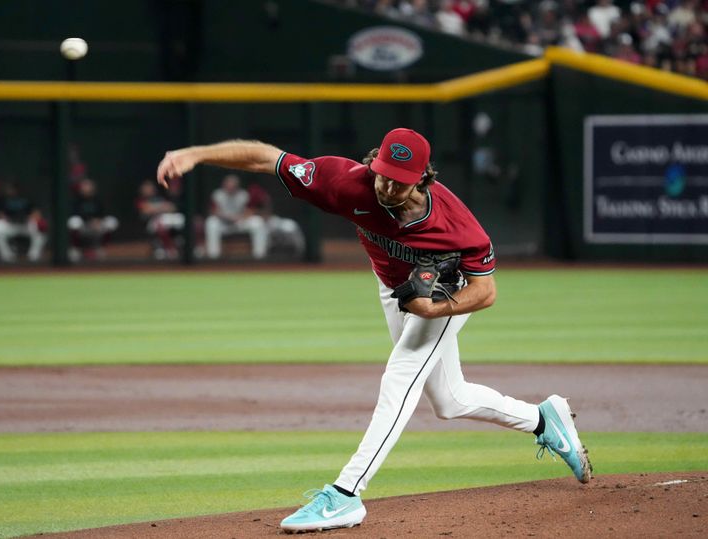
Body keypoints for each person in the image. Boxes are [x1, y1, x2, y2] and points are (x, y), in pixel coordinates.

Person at [156, 129, 593, 533]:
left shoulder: (457, 225)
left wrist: (436, 307)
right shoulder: (346, 181)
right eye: (383, 175)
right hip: (395, 289)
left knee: (400, 378)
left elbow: (487, 290)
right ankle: (542, 419)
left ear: (422, 178)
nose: (387, 186)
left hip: (445, 292)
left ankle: (346, 494)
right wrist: (195, 154)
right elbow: (266, 158)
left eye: (399, 181)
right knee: (450, 400)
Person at [204, 173, 267, 260]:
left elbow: (250, 211)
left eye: (233, 186)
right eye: (228, 185)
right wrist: (227, 217)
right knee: (211, 222)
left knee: (258, 222)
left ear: (237, 186)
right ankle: (214, 257)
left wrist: (240, 217)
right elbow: (213, 211)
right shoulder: (218, 195)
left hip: (239, 222)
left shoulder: (243, 195)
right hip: (223, 223)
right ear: (224, 185)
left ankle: (259, 256)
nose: (230, 188)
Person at [0, 182, 47, 262]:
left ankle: (33, 256)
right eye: (9, 189)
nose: (9, 191)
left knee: (40, 228)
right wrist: (6, 217)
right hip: (10, 225)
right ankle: (7, 255)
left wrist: (30, 217)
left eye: (11, 189)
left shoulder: (26, 199)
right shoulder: (4, 200)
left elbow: (37, 213)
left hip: (26, 225)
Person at [247, 183, 305, 257]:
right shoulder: (247, 198)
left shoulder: (266, 199)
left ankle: (299, 253)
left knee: (291, 225)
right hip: (257, 223)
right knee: (258, 224)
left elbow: (268, 212)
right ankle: (260, 256)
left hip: (270, 221)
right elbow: (247, 214)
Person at [68, 178, 119, 261]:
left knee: (112, 222)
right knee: (73, 222)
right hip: (83, 226)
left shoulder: (98, 200)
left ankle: (101, 248)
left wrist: (98, 221)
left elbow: (104, 214)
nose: (85, 188)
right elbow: (73, 215)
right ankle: (76, 248)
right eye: (84, 186)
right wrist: (89, 221)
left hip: (97, 226)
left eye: (88, 186)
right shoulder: (76, 200)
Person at [136, 179, 184, 260]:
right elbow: (146, 210)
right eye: (146, 188)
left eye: (150, 188)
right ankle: (169, 249)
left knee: (180, 221)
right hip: (150, 223)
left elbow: (172, 207)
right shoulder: (141, 200)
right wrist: (160, 208)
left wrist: (155, 208)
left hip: (165, 220)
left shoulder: (158, 198)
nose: (148, 190)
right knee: (160, 223)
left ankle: (178, 246)